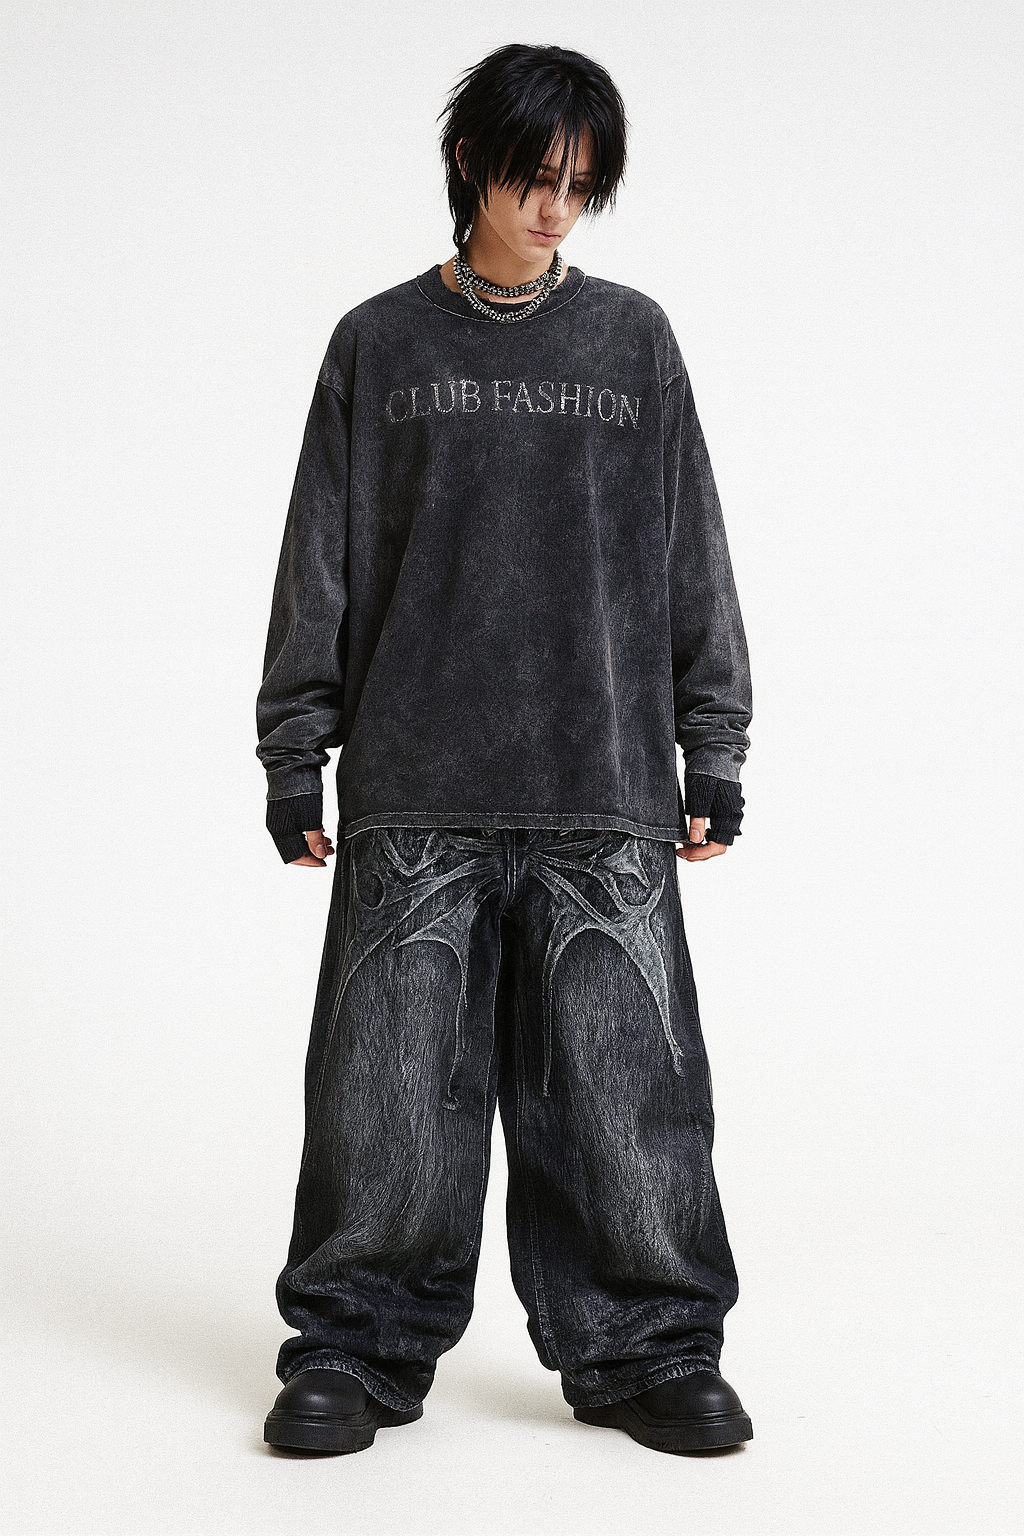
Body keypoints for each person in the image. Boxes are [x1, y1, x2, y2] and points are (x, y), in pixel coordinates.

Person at [255, 42, 753, 1458]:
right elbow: (319, 559)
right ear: (472, 161)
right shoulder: (380, 345)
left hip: (605, 783)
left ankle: (652, 1348)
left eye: (580, 187)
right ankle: (351, 1348)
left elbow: (691, 552)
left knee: (630, 1096)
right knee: (385, 1103)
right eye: (536, 177)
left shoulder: (633, 341)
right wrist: (296, 751)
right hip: (416, 784)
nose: (555, 210)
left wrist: (712, 744)